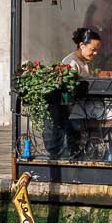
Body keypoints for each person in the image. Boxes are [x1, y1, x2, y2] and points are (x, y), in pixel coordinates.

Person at [45, 27, 101, 158]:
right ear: (81, 45)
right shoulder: (71, 63)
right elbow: (67, 93)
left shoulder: (84, 62)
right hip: (74, 113)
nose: (95, 53)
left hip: (83, 109)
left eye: (97, 50)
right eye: (93, 49)